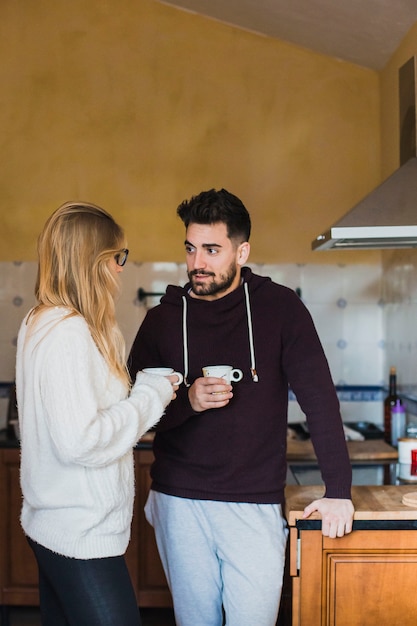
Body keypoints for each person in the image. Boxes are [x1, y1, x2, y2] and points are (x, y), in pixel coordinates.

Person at [128, 188, 354, 626]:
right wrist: (187, 402)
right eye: (191, 249)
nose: (198, 263)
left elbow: (320, 400)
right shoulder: (162, 320)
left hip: (253, 503)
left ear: (242, 250)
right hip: (180, 500)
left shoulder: (280, 308)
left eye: (212, 250)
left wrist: (339, 491)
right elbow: (133, 411)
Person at [16, 201, 179, 626]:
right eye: (116, 257)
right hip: (78, 534)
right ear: (93, 261)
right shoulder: (66, 331)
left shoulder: (46, 321)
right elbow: (82, 441)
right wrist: (152, 395)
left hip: (59, 528)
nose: (121, 268)